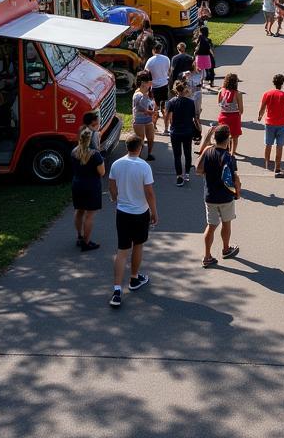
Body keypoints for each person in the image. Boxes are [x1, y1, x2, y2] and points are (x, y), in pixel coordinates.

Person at [108, 135, 157, 308]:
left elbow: (112, 186)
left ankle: (116, 290)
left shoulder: (116, 164)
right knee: (138, 245)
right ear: (140, 147)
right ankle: (134, 278)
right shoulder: (144, 166)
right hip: (140, 213)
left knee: (122, 251)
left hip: (122, 212)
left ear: (126, 146)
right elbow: (149, 193)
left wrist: (116, 199)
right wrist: (154, 212)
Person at [197, 124, 240, 266]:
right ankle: (226, 249)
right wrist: (237, 193)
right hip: (226, 197)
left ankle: (207, 256)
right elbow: (235, 180)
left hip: (210, 196)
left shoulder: (208, 151)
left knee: (211, 225)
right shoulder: (229, 157)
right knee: (226, 223)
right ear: (228, 139)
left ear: (214, 138)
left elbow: (198, 169)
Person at [71, 127, 106, 251]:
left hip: (77, 184)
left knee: (79, 210)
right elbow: (102, 172)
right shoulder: (95, 155)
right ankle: (86, 242)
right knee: (90, 215)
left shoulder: (74, 151)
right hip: (91, 186)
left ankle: (79, 236)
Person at [257, 74, 284, 178]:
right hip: (282, 123)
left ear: (274, 82)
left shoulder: (267, 94)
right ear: (282, 83)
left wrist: (260, 116)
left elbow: (262, 107)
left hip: (270, 123)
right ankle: (277, 168)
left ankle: (266, 165)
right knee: (279, 146)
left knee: (268, 144)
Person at [167, 79, 199, 185]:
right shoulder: (191, 102)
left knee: (177, 155)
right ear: (185, 90)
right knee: (187, 152)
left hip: (175, 131)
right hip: (187, 131)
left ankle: (179, 176)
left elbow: (167, 117)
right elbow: (195, 117)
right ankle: (187, 174)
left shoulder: (171, 102)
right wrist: (198, 128)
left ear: (175, 91)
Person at [145, 43, 171, 132]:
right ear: (161, 49)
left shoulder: (150, 61)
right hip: (164, 85)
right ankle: (166, 128)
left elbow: (145, 72)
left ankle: (154, 126)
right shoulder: (166, 59)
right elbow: (169, 71)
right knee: (164, 108)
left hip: (155, 86)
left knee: (155, 107)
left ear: (153, 50)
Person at [131, 70, 157, 160]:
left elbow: (151, 104)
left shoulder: (148, 91)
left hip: (148, 119)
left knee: (151, 138)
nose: (150, 83)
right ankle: (138, 156)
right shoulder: (138, 94)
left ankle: (149, 154)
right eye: (148, 81)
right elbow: (139, 108)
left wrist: (153, 111)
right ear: (142, 82)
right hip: (139, 120)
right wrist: (148, 112)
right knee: (140, 140)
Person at [216, 73, 244, 155]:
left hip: (223, 115)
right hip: (234, 116)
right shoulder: (238, 93)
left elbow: (219, 104)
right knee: (235, 136)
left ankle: (226, 149)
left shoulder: (221, 91)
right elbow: (241, 109)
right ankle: (232, 152)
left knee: (224, 134)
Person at [194, 25, 214, 89]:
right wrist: (212, 54)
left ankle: (201, 82)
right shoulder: (208, 39)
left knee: (200, 70)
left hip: (199, 56)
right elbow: (210, 48)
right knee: (209, 69)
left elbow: (196, 43)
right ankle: (210, 81)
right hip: (207, 56)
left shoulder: (200, 37)